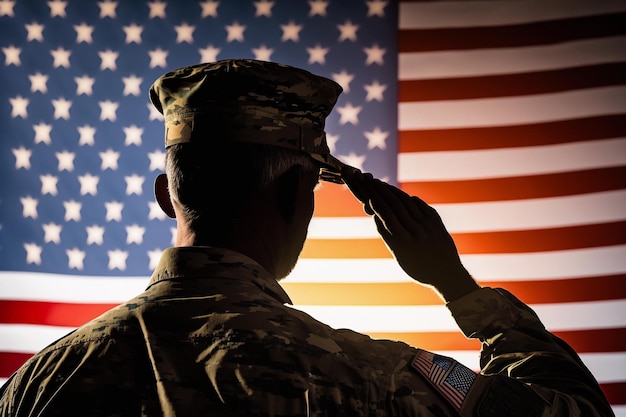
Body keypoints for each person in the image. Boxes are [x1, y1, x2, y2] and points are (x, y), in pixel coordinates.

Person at [0, 59, 613, 417]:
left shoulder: (40, 384)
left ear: (166, 195)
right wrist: (457, 287)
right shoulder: (374, 377)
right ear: (297, 196)